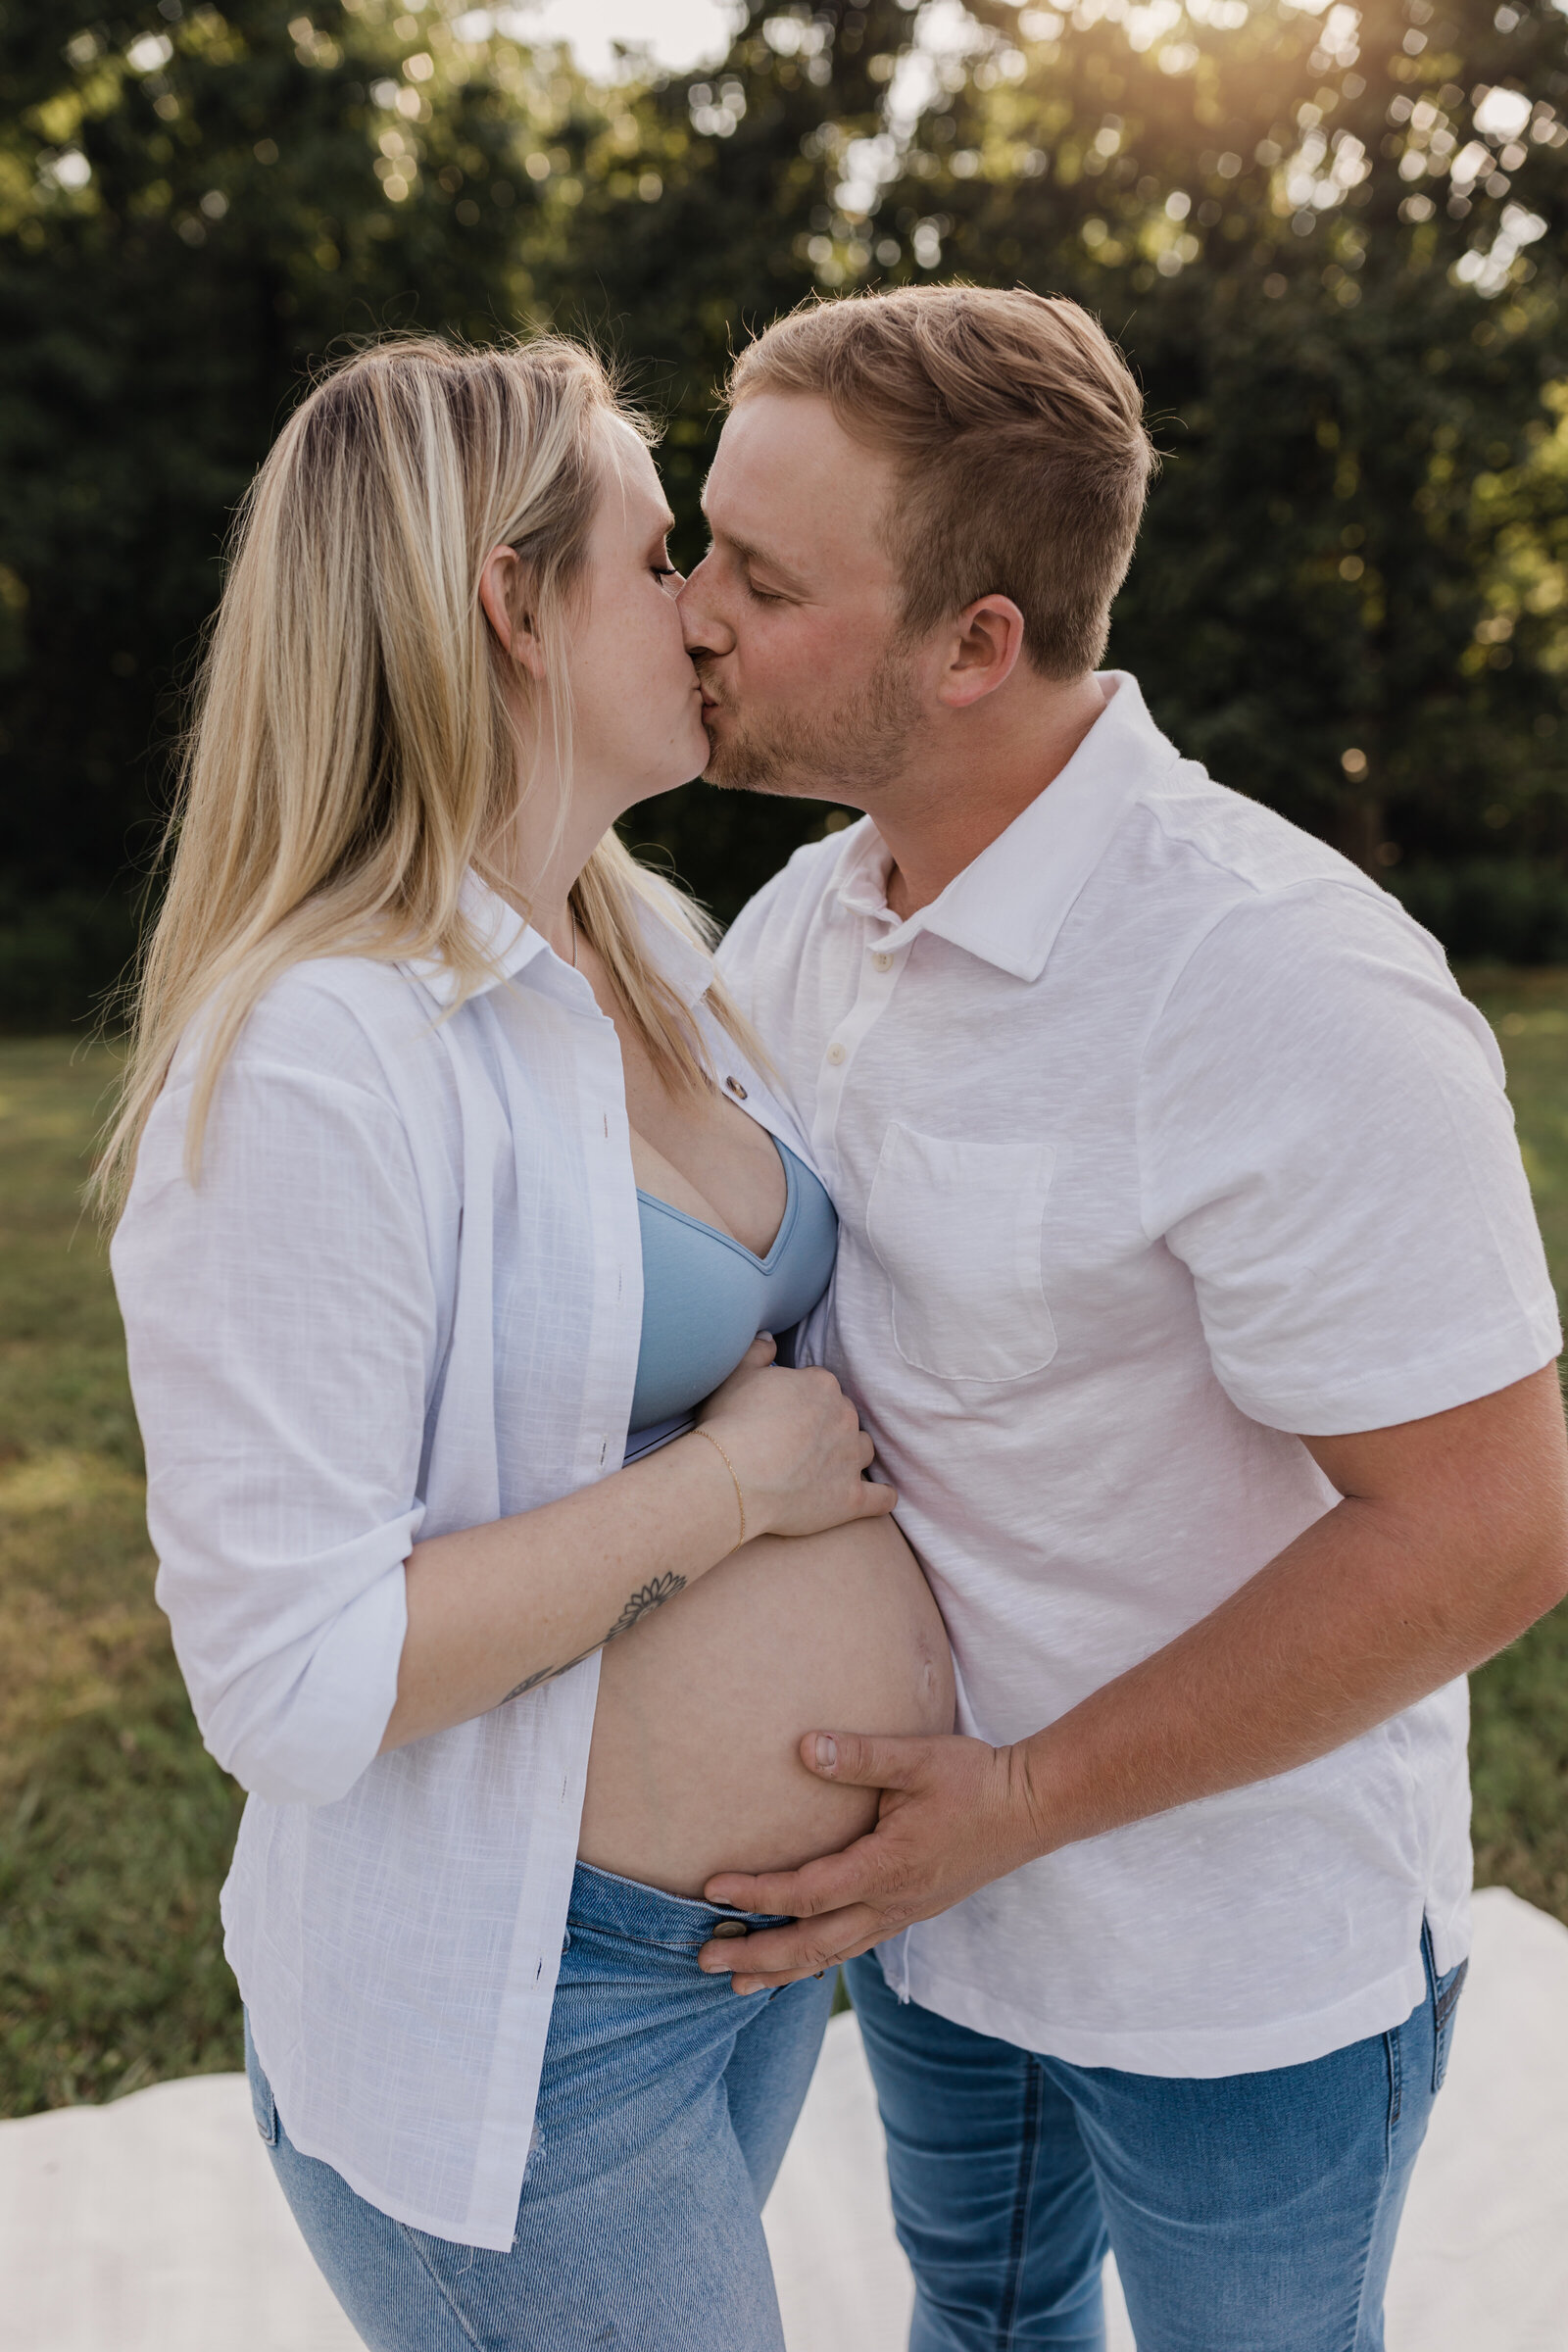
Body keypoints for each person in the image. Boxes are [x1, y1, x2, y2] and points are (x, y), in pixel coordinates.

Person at [678, 285, 1568, 2352]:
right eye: (700, 540)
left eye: (759, 575)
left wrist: (1022, 1803)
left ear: (974, 643)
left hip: (1230, 1967)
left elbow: (1492, 1526)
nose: (687, 608)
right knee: (982, 2324)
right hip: (921, 1917)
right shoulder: (809, 912)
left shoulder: (1281, 987)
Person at [103, 335, 954, 2352]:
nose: (710, 608)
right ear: (508, 598)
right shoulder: (318, 1052)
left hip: (736, 1965)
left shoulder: (640, 938)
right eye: (665, 557)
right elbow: (291, 1682)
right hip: (524, 2005)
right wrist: (731, 1492)